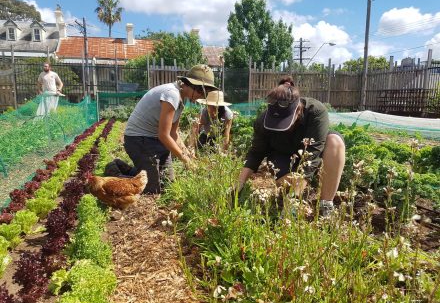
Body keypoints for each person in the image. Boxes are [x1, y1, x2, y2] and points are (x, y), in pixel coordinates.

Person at [236, 77, 345, 216]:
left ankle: (326, 205)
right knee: (284, 184)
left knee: (335, 141)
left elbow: (312, 156)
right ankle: (287, 192)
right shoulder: (262, 120)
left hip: (310, 155)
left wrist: (291, 204)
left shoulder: (315, 112)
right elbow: (256, 153)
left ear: (298, 111)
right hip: (282, 156)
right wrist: (239, 184)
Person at [124, 64, 219, 194]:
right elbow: (164, 135)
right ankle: (118, 174)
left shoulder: (180, 100)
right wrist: (185, 160)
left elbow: (173, 133)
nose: (201, 96)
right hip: (138, 140)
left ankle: (140, 170)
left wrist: (187, 153)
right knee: (153, 189)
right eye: (200, 91)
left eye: (205, 93)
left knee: (168, 184)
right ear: (189, 84)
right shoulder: (172, 94)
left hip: (154, 140)